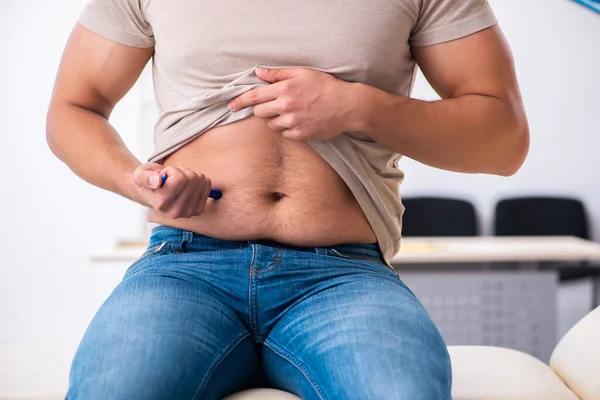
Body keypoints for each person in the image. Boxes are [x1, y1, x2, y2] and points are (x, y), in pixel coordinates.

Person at [46, 0, 529, 398]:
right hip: (187, 266)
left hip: (342, 275)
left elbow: (504, 141)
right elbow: (74, 108)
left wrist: (360, 107)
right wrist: (139, 180)